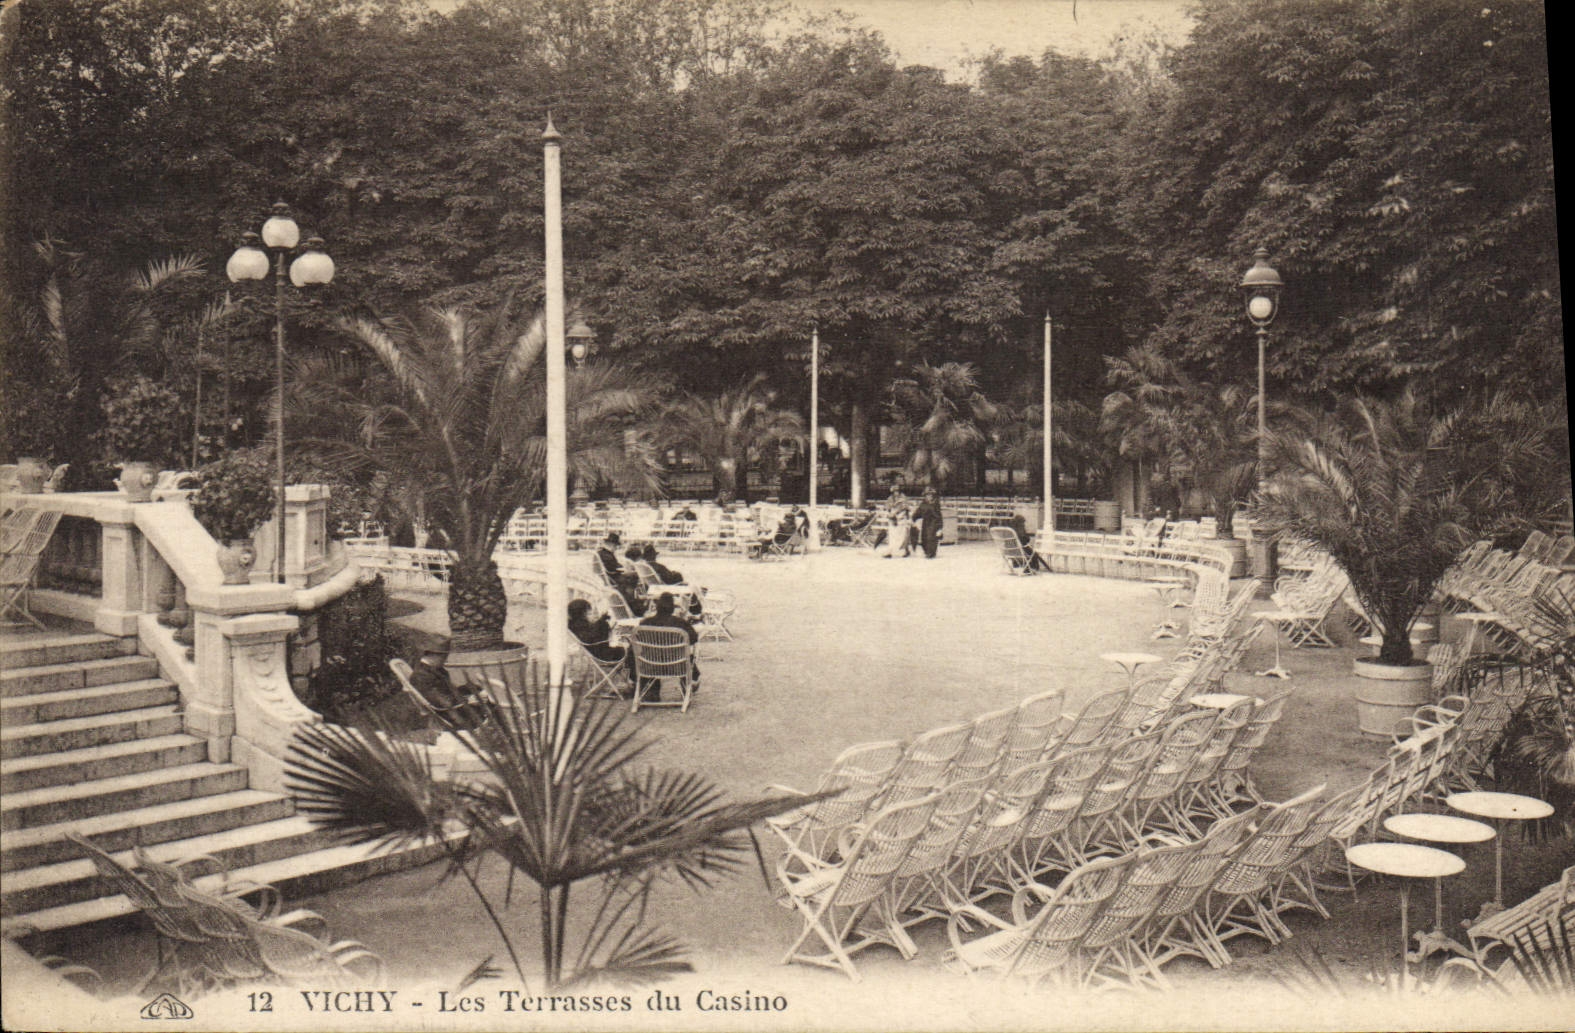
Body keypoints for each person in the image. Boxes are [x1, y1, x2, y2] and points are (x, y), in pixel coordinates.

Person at [635, 592, 700, 702]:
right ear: (672, 608)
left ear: (657, 607)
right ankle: (687, 686)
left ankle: (652, 690)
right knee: (686, 655)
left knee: (650, 653)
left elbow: (637, 642)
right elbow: (694, 639)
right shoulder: (680, 623)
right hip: (677, 666)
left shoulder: (645, 623)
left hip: (650, 666)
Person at [568, 598, 634, 685]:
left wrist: (600, 622)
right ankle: (634, 680)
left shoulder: (574, 624)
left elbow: (593, 636)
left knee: (630, 650)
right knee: (632, 651)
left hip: (597, 653)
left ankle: (631, 680)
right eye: (589, 612)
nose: (590, 615)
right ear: (583, 613)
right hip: (604, 655)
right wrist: (602, 623)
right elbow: (597, 638)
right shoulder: (580, 625)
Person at [915, 488, 944, 559]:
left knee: (931, 537)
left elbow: (939, 516)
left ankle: (931, 552)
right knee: (924, 537)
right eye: (927, 495)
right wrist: (914, 518)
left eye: (930, 495)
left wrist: (940, 527)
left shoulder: (935, 504)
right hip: (925, 522)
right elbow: (918, 512)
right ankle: (926, 551)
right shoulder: (923, 504)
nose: (929, 497)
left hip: (934, 522)